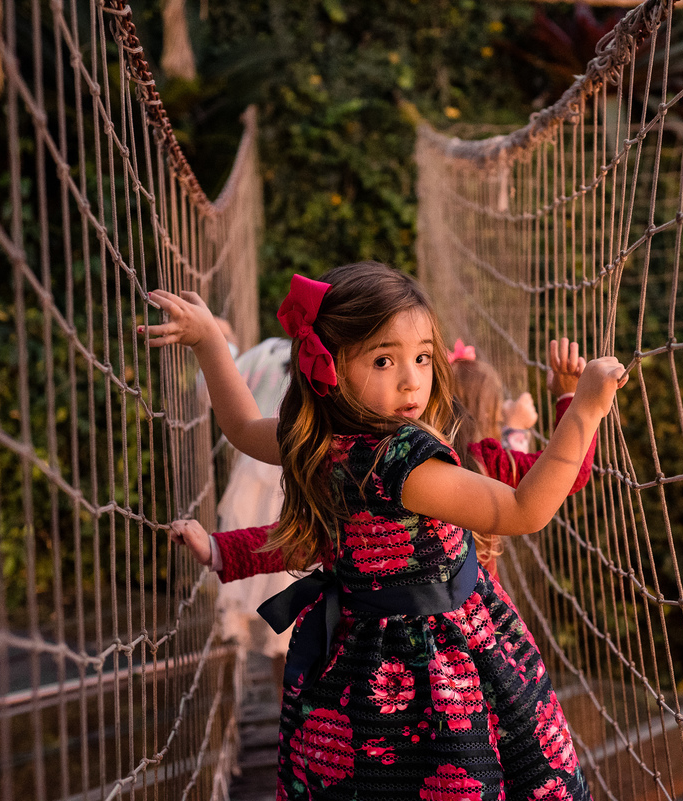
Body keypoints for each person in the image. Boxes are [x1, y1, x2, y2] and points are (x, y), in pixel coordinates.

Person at [142, 262, 625, 800]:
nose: (412, 379)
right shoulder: (406, 464)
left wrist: (210, 340)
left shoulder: (316, 440)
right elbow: (523, 510)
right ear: (330, 369)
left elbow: (237, 427)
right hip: (441, 659)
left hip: (354, 654)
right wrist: (585, 408)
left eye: (422, 357)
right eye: (383, 359)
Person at [448, 339, 590, 576]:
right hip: (478, 603)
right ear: (486, 413)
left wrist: (513, 428)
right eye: (498, 409)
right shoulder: (485, 464)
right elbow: (567, 472)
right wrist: (574, 397)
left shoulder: (427, 453)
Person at [213, 337, 295, 692]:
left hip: (261, 493)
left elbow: (211, 387)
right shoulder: (351, 360)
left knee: (287, 637)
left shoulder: (270, 350)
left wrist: (222, 344)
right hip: (307, 490)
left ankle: (291, 726)